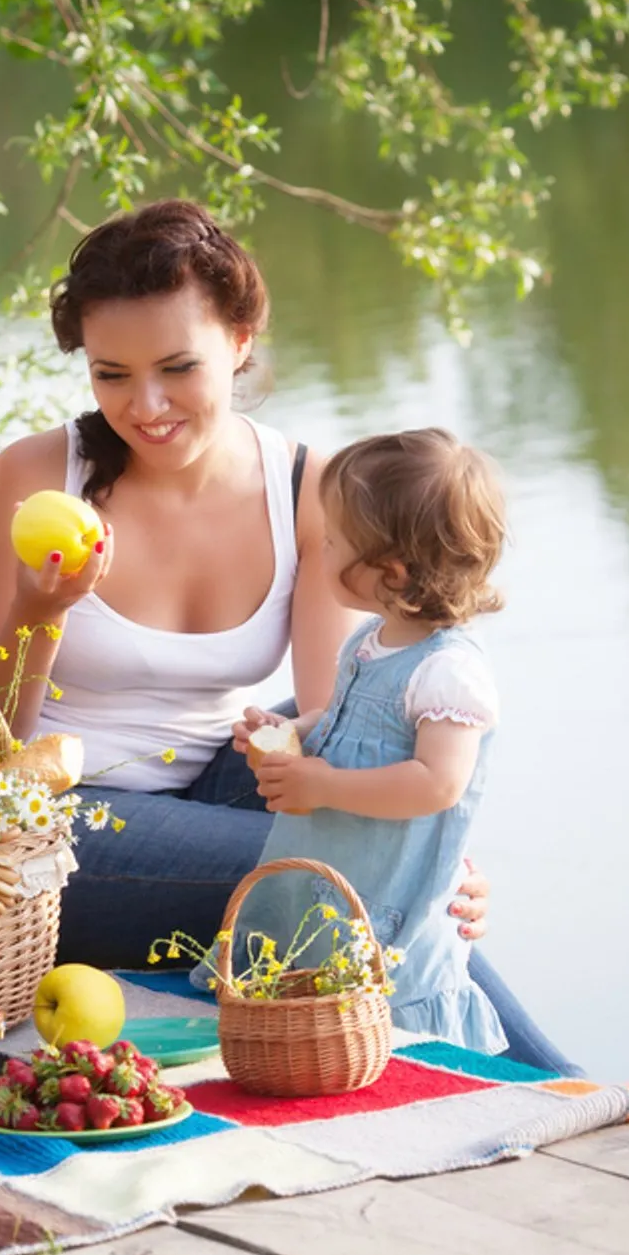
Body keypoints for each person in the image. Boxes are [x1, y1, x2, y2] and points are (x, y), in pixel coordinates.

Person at [0, 200, 578, 1074]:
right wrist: (41, 614)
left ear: (241, 338)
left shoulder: (305, 485)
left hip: (220, 783)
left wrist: (431, 847)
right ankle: (559, 1088)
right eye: (112, 375)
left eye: (177, 367)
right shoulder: (32, 480)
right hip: (60, 827)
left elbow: (341, 719)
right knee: (337, 875)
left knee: (401, 705)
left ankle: (564, 1091)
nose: (147, 405)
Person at [224, 428, 509, 1048]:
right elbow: (347, 723)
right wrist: (295, 732)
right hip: (335, 863)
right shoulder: (372, 640)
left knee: (387, 1015)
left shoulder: (448, 671)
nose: (318, 551)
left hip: (389, 886)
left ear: (390, 570)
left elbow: (438, 782)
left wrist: (324, 785)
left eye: (331, 542)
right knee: (317, 978)